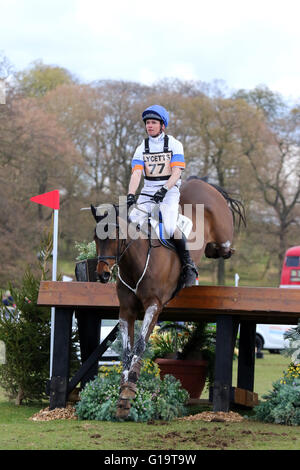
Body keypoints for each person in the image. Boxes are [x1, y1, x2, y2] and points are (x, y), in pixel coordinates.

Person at [127, 104, 197, 287]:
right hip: (148, 190)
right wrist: (130, 195)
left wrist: (164, 189)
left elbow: (176, 172)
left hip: (170, 190)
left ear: (162, 125)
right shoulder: (142, 146)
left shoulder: (174, 144)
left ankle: (188, 264)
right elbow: (136, 173)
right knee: (130, 224)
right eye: (147, 123)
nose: (149, 126)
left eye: (153, 123)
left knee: (169, 226)